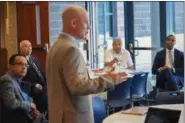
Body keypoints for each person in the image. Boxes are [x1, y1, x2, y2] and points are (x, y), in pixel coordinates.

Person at [46, 5, 127, 123]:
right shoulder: (71, 49)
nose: (89, 27)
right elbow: (77, 86)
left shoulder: (54, 47)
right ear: (73, 23)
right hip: (73, 117)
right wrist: (110, 79)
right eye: (86, 23)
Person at [0, 54, 41, 123]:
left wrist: (31, 108)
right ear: (11, 66)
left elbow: (22, 97)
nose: (24, 67)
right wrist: (29, 105)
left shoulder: (17, 79)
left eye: (26, 65)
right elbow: (11, 103)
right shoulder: (7, 80)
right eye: (20, 64)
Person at [19, 40, 47, 113]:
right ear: (20, 48)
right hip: (31, 88)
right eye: (26, 46)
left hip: (43, 85)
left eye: (30, 46)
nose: (29, 48)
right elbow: (20, 80)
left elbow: (41, 72)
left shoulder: (34, 58)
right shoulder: (19, 60)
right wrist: (35, 85)